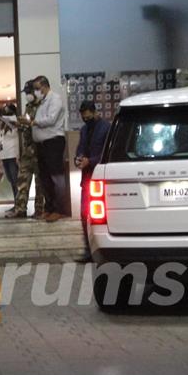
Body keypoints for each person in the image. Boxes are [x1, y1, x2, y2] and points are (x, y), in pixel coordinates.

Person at [75, 101, 111, 262]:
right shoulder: (84, 130)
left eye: (87, 115)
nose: (85, 118)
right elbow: (80, 148)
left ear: (94, 112)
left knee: (101, 216)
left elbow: (107, 152)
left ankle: (102, 249)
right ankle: (88, 250)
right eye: (83, 115)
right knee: (84, 214)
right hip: (86, 178)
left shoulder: (105, 128)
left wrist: (90, 161)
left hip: (100, 176)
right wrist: (79, 158)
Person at [30, 75, 68, 223]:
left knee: (56, 177)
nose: (36, 92)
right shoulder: (41, 102)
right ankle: (50, 208)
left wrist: (33, 122)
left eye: (37, 89)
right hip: (42, 145)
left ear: (45, 86)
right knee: (45, 178)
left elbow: (51, 119)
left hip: (53, 143)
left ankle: (60, 209)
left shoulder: (55, 99)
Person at [6, 81, 45, 219]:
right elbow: (26, 127)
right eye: (26, 93)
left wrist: (28, 123)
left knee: (40, 182)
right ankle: (20, 209)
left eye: (29, 92)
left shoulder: (43, 106)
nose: (28, 96)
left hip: (40, 149)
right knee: (22, 180)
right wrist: (18, 124)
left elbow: (43, 124)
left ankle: (39, 210)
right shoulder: (28, 107)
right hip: (28, 150)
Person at [0, 103, 20, 201]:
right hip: (5, 155)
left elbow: (10, 123)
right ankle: (16, 202)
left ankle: (19, 203)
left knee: (15, 179)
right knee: (11, 179)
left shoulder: (14, 121)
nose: (5, 112)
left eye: (7, 110)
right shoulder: (2, 124)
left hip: (12, 154)